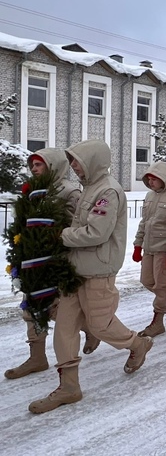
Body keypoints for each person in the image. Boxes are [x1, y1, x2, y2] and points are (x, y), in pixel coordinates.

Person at [29, 140, 154, 414]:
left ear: (93, 161)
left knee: (100, 325)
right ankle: (69, 387)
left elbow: (96, 233)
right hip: (75, 269)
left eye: (77, 160)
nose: (73, 166)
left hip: (98, 269)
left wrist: (59, 236)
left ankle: (138, 343)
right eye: (71, 161)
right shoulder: (89, 189)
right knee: (64, 327)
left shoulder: (107, 191)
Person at [5, 148, 100, 380]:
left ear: (53, 165)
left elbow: (74, 224)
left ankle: (91, 329)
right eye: (32, 166)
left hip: (55, 260)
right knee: (31, 307)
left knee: (57, 309)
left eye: (39, 165)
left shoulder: (69, 191)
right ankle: (37, 357)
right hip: (30, 260)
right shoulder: (32, 192)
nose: (34, 169)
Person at [132, 161, 166, 338]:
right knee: (147, 281)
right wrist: (138, 245)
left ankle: (158, 321)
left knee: (161, 285)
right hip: (148, 247)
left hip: (164, 249)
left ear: (164, 178)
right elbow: (144, 222)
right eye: (149, 179)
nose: (151, 182)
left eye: (154, 179)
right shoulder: (149, 196)